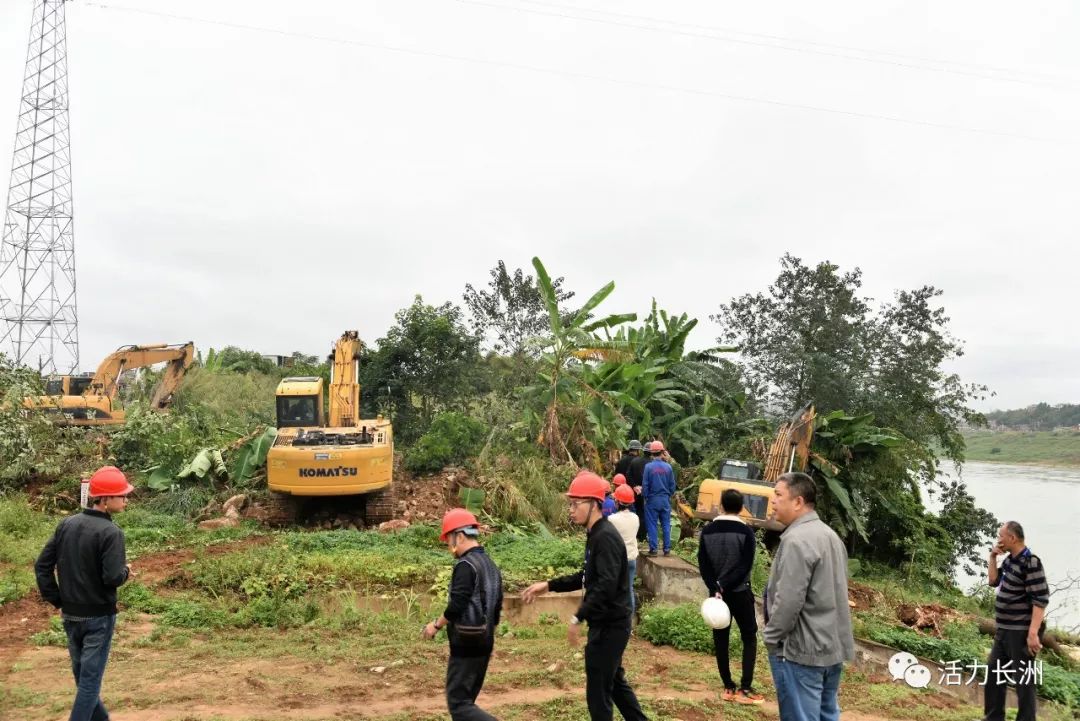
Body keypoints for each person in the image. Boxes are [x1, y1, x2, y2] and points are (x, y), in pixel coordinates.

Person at [521, 471, 648, 721]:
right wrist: (547, 585)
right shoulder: (595, 535)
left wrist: (578, 617)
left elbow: (606, 585)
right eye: (570, 503)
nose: (570, 510)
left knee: (598, 693)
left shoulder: (606, 537)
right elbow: (586, 575)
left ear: (594, 504)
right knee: (615, 684)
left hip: (610, 625)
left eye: (575, 503)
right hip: (607, 623)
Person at [35, 466, 135, 721]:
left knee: (83, 678)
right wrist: (126, 572)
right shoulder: (111, 533)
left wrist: (56, 599)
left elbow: (42, 566)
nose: (126, 499)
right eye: (121, 495)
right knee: (89, 683)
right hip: (98, 619)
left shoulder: (66, 524)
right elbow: (112, 577)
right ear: (104, 499)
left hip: (70, 615)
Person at [763, 472, 854, 721]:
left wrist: (771, 637)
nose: (773, 501)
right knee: (826, 714)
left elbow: (789, 600)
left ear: (798, 502)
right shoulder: (830, 536)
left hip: (803, 651)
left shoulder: (796, 540)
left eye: (778, 495)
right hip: (831, 647)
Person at [423, 508, 504, 721]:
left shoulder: (466, 565)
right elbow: (497, 608)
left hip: (467, 642)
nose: (450, 546)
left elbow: (457, 604)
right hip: (484, 642)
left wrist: (435, 625)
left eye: (450, 540)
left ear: (459, 536)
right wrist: (488, 637)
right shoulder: (491, 565)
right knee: (467, 703)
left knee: (459, 704)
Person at [698, 489, 763, 705]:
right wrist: (725, 584)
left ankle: (728, 686)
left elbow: (704, 565)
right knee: (749, 636)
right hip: (740, 592)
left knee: (721, 638)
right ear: (741, 507)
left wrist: (715, 586)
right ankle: (745, 687)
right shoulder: (746, 533)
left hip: (717, 597)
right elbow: (745, 565)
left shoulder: (708, 531)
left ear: (722, 505)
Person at [983, 521, 1049, 721]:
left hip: (1020, 632)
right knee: (994, 675)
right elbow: (993, 581)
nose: (998, 539)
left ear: (1012, 538)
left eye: (1001, 535)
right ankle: (993, 718)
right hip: (1003, 630)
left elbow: (1040, 600)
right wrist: (993, 556)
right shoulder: (1010, 561)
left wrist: (1032, 634)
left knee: (1023, 681)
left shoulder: (1031, 562)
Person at [608, 483, 640, 617]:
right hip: (632, 558)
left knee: (614, 590)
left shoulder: (612, 519)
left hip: (617, 560)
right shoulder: (635, 518)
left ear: (617, 502)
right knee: (629, 590)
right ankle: (629, 621)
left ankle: (615, 619)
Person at [641, 441, 676, 556]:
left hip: (652, 499)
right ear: (662, 452)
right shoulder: (668, 467)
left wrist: (645, 497)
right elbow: (672, 486)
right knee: (666, 524)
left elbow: (645, 485)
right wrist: (668, 495)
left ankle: (654, 549)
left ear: (651, 453)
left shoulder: (648, 467)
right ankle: (667, 550)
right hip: (665, 499)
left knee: (652, 524)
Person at [627, 442, 650, 541]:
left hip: (635, 492)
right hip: (648, 493)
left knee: (636, 512)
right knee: (645, 514)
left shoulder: (635, 461)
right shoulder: (652, 464)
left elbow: (628, 475)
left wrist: (635, 486)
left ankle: (635, 534)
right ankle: (643, 536)